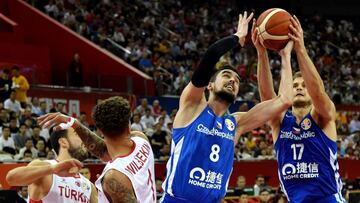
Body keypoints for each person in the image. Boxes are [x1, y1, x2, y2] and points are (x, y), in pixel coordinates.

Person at [160, 11, 294, 202]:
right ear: (210, 85)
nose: (233, 80)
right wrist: (237, 38)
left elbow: (284, 101)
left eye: (237, 80)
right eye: (226, 76)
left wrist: (281, 56)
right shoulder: (192, 106)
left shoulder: (236, 123)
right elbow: (210, 56)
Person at [253, 15, 345, 202]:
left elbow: (318, 92)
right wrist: (263, 54)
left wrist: (300, 48)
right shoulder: (280, 123)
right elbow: (268, 99)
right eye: (295, 86)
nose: (299, 88)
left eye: (304, 85)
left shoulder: (322, 117)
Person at [38, 96, 156, 202]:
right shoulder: (141, 139)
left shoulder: (114, 177)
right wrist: (74, 123)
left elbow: (104, 150)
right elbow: (103, 150)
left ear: (100, 130)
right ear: (129, 127)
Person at [6, 127, 97, 203]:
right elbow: (11, 178)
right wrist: (53, 169)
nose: (84, 139)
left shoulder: (89, 186)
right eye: (78, 135)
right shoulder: (44, 166)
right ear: (63, 142)